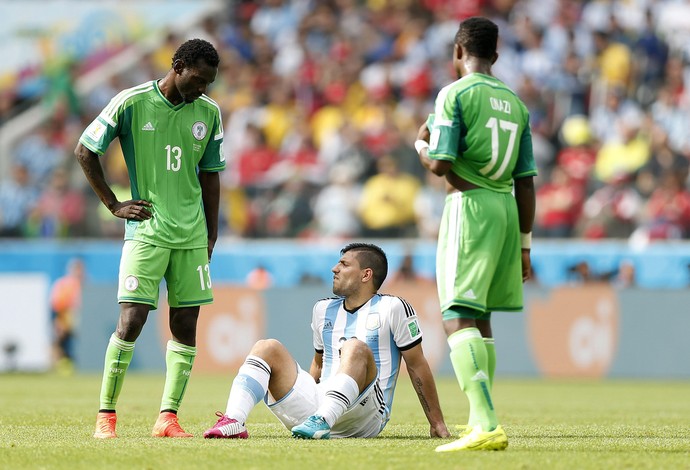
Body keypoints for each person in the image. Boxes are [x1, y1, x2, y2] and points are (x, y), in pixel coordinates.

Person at [74, 38, 224, 439]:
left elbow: (211, 175)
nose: (203, 89)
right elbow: (86, 150)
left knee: (186, 324)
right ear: (178, 66)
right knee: (132, 320)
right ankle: (106, 416)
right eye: (198, 79)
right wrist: (113, 204)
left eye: (209, 82)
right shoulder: (131, 101)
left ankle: (168, 418)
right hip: (147, 232)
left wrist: (211, 235)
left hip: (191, 235)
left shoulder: (208, 112)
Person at [414, 17, 537, 452]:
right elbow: (526, 181)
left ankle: (485, 423)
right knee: (481, 316)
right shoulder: (516, 103)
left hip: (470, 205)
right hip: (506, 209)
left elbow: (441, 163)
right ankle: (477, 420)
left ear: (457, 52)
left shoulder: (454, 93)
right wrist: (524, 245)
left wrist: (420, 146)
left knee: (456, 313)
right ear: (496, 56)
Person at [203, 242, 450, 440]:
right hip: (321, 406)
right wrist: (303, 397)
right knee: (266, 347)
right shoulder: (323, 309)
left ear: (366, 274)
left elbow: (417, 364)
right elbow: (318, 366)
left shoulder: (393, 307)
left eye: (343, 264)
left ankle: (322, 419)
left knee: (353, 347)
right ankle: (234, 420)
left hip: (366, 416)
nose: (334, 268)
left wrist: (436, 422)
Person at [49, 257, 85, 373]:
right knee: (61, 344)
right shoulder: (63, 284)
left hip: (80, 320)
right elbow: (57, 305)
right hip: (66, 319)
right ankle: (59, 366)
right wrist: (59, 321)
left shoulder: (86, 284)